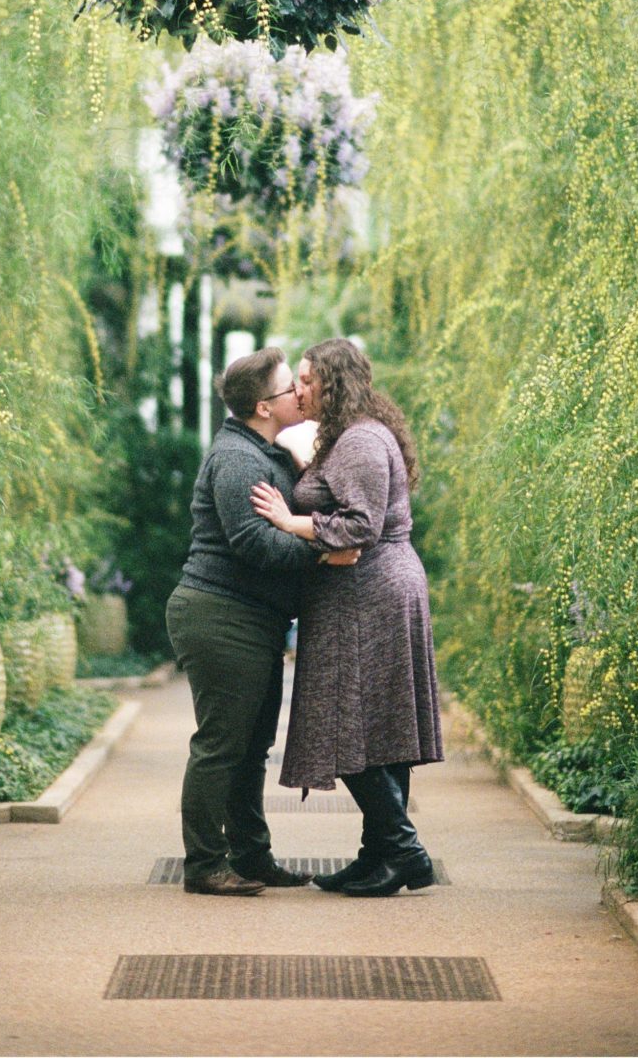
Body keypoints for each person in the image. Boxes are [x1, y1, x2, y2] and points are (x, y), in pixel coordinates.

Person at [251, 337, 444, 897]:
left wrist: (289, 522)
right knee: (381, 728)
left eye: (307, 379)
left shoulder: (360, 439)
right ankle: (379, 856)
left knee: (350, 722)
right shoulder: (352, 437)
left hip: (371, 595)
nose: (298, 388)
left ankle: (406, 853)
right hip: (367, 593)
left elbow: (360, 525)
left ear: (334, 382)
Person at [165, 346, 361, 896]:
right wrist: (323, 552)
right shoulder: (237, 460)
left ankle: (252, 857)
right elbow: (253, 543)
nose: (298, 394)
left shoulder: (266, 452)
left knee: (251, 748)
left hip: (253, 619)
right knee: (222, 745)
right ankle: (205, 865)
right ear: (262, 406)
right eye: (287, 389)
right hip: (220, 613)